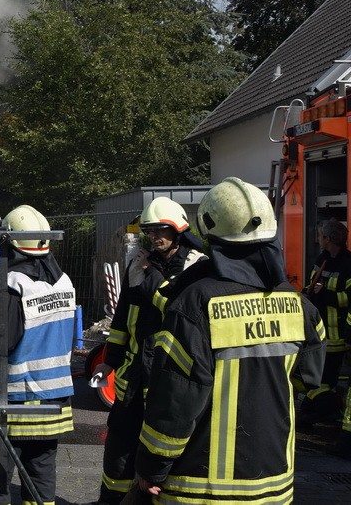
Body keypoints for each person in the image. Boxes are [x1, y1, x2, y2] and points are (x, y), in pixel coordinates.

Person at [135, 177, 325, 503]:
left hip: (199, 488)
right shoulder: (300, 305)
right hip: (275, 485)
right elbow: (308, 381)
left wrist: (151, 466)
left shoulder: (194, 305)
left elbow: (175, 402)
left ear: (209, 231)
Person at [92, 198, 205, 504]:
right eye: (152, 230)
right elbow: (123, 319)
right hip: (132, 377)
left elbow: (176, 309)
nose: (157, 237)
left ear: (178, 231)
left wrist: (148, 278)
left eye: (163, 230)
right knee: (119, 449)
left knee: (160, 450)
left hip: (168, 378)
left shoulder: (195, 265)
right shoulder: (140, 263)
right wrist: (108, 362)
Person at [0, 204, 75, 505]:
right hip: (52, 406)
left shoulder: (13, 285)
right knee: (40, 483)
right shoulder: (63, 281)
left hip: (13, 406)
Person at [299, 218, 351, 425]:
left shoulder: (348, 264)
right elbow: (311, 284)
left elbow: (348, 298)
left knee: (326, 377)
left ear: (329, 239)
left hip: (338, 336)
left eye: (320, 236)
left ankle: (328, 408)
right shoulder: (322, 259)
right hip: (318, 332)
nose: (318, 239)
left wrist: (326, 295)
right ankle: (321, 407)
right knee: (318, 375)